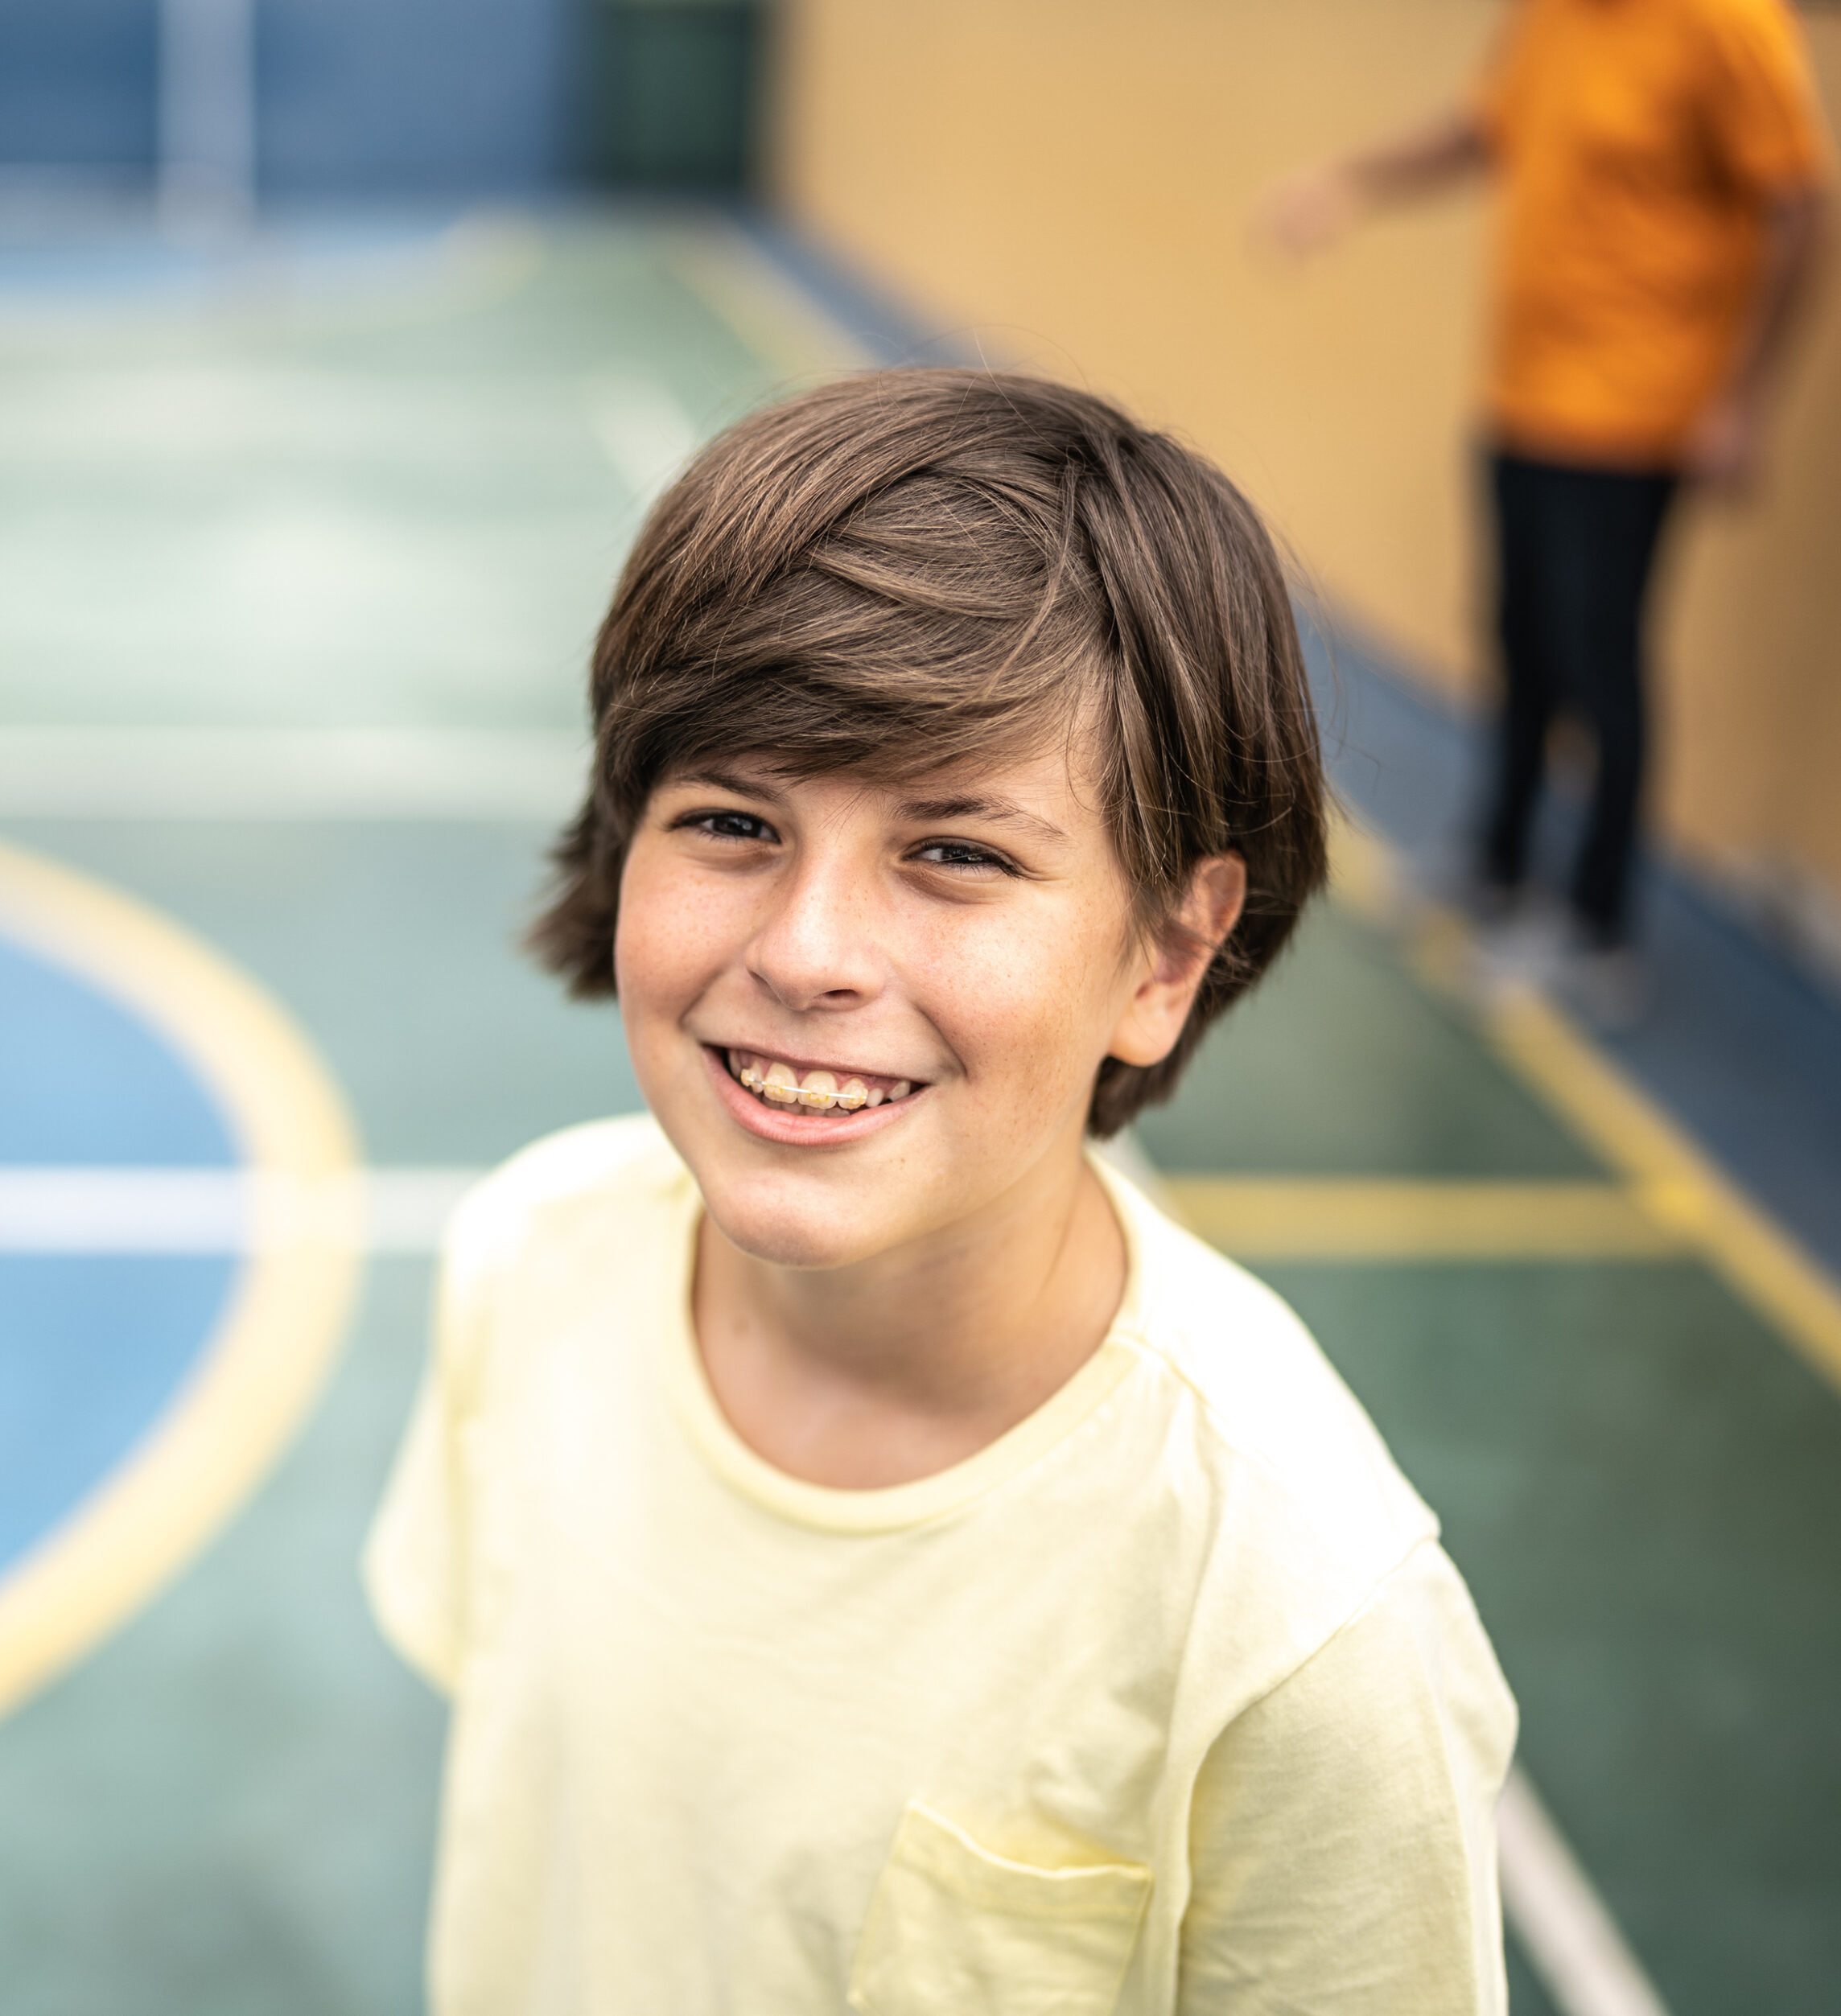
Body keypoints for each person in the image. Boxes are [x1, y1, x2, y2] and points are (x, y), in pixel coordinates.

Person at [363, 370, 1517, 2014]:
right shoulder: (526, 1260)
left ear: (1168, 951)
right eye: (732, 819)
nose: (804, 951)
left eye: (955, 852)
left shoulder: (1293, 1621)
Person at [1266, 0, 1831, 1010]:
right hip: (1524, 394)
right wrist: (1352, 178)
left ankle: (1594, 929)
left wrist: (1740, 398)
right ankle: (1495, 859)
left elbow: (1797, 207)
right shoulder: (1555, 14)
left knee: (1596, 657)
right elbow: (1489, 125)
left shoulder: (1728, 25)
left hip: (1636, 413)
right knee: (1518, 635)